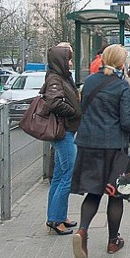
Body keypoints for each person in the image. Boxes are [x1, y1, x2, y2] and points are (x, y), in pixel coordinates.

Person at [70, 44, 130, 258]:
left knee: (94, 192)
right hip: (113, 148)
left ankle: (82, 230)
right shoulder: (121, 86)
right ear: (120, 62)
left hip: (88, 144)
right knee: (115, 195)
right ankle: (112, 241)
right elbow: (127, 122)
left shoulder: (89, 82)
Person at [43, 43, 82, 236]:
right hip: (63, 132)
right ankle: (56, 219)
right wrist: (73, 112)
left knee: (59, 176)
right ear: (61, 61)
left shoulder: (60, 77)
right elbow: (53, 102)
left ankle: (57, 215)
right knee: (67, 176)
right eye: (68, 58)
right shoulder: (55, 79)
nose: (71, 62)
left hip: (66, 131)